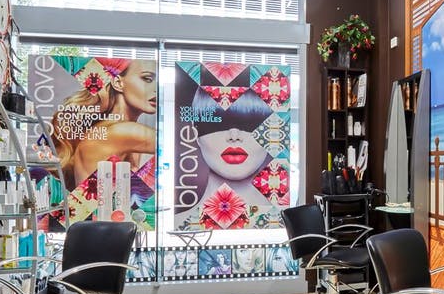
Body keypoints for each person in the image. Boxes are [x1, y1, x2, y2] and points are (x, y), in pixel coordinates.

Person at [182, 87, 287, 230]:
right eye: (218, 123)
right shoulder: (179, 223)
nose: (234, 136)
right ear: (196, 135)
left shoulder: (287, 221)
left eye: (251, 123)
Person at [52, 59, 157, 191]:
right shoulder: (118, 132)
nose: (156, 89)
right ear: (118, 83)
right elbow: (175, 144)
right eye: (147, 79)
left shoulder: (110, 132)